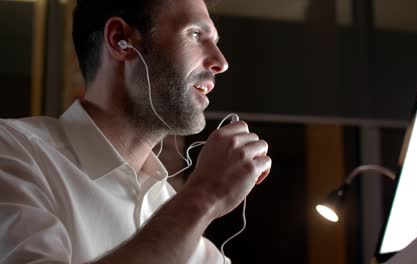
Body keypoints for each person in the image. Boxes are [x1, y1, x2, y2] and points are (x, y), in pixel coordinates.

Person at [0, 0, 272, 263]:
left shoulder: (186, 230)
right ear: (121, 40)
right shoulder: (14, 153)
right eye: (195, 34)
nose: (220, 62)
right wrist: (203, 197)